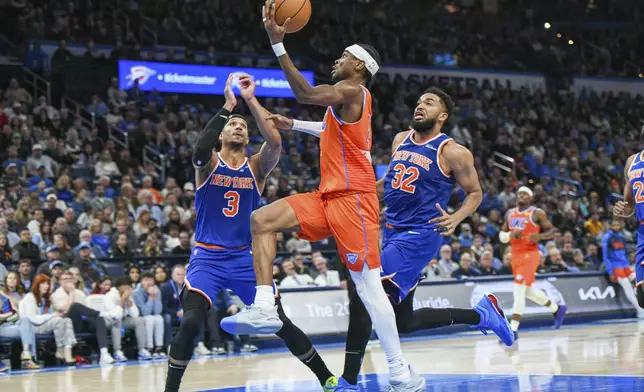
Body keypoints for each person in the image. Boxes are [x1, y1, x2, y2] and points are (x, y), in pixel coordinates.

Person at [223, 4, 422, 391]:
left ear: (360, 67)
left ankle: (399, 371)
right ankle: (265, 305)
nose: (338, 59)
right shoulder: (346, 107)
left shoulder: (353, 91)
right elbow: (327, 127)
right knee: (261, 220)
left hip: (356, 200)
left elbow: (307, 93)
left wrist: (278, 46)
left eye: (345, 56)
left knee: (367, 286)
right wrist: (293, 124)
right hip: (329, 196)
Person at [271, 88, 513, 389]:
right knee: (403, 322)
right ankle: (482, 316)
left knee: (365, 294)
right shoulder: (401, 139)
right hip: (392, 232)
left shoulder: (452, 152)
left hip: (420, 236)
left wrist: (457, 217)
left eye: (429, 102)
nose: (420, 105)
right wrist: (360, 196)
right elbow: (390, 184)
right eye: (419, 100)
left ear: (443, 116)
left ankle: (348, 380)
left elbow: (475, 193)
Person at [164, 74, 335, 392]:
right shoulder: (210, 163)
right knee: (190, 321)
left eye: (243, 125)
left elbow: (276, 143)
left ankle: (326, 377)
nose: (239, 127)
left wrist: (251, 101)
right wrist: (228, 106)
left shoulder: (255, 167)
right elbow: (199, 152)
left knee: (281, 323)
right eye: (233, 125)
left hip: (245, 259)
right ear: (222, 133)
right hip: (208, 258)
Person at [499, 186, 568, 340]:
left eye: (525, 193)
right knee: (527, 291)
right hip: (516, 255)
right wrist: (510, 234)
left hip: (530, 255)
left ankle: (512, 329)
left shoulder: (537, 213)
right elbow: (501, 236)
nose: (522, 195)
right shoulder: (510, 213)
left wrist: (540, 237)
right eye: (520, 193)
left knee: (518, 290)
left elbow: (552, 231)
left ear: (530, 198)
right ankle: (557, 309)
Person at [51, 270, 115, 365]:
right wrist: (72, 294)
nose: (68, 281)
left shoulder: (80, 293)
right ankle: (100, 313)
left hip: (80, 323)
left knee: (99, 319)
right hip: (66, 325)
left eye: (70, 279)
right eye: (65, 279)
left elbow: (87, 311)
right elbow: (64, 312)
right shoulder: (55, 295)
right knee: (75, 306)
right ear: (60, 281)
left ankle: (104, 353)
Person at [19, 274, 77, 365]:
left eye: (47, 284)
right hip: (33, 327)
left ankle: (67, 352)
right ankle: (60, 349)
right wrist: (53, 315)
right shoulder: (30, 297)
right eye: (43, 283)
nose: (46, 286)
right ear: (37, 284)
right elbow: (33, 319)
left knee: (67, 320)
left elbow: (52, 313)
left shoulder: (46, 298)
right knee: (58, 320)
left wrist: (59, 313)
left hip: (45, 325)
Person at [613, 142, 644, 309]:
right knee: (642, 298)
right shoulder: (632, 161)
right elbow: (630, 205)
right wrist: (623, 210)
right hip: (642, 230)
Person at [0, 291, 40, 370]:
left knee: (27, 321)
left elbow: (16, 315)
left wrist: (9, 315)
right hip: (2, 328)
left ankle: (26, 354)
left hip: (10, 324)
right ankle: (30, 358)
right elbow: (6, 316)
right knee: (28, 329)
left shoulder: (4, 297)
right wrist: (10, 314)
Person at [133, 272, 166, 358]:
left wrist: (155, 295)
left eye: (151, 280)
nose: (148, 282)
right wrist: (151, 297)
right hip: (141, 317)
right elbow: (145, 312)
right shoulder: (136, 293)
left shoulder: (157, 290)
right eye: (145, 280)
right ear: (141, 282)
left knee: (159, 318)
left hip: (153, 316)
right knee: (150, 318)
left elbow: (158, 311)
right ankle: (149, 347)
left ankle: (159, 347)